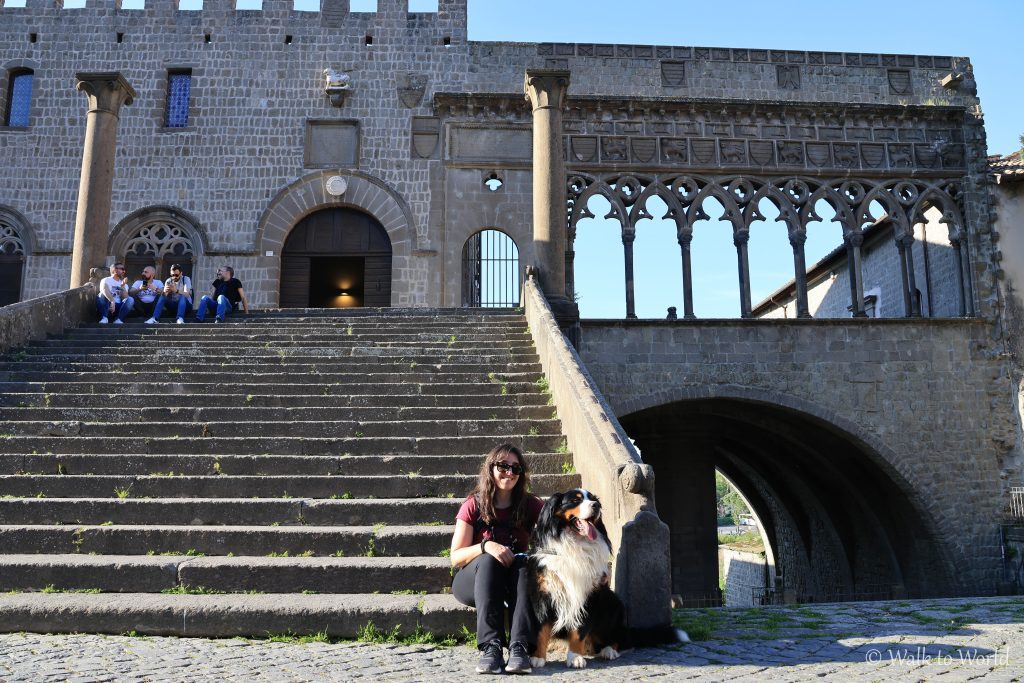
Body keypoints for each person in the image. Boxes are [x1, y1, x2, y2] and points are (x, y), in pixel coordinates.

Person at [450, 444, 544, 675]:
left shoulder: (531, 504)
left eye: (516, 468)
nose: (509, 472)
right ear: (490, 468)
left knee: (524, 563)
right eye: (503, 466)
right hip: (473, 580)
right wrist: (485, 546)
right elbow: (456, 557)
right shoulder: (473, 504)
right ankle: (491, 648)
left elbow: (555, 534)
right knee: (489, 560)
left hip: (513, 579)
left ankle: (519, 646)